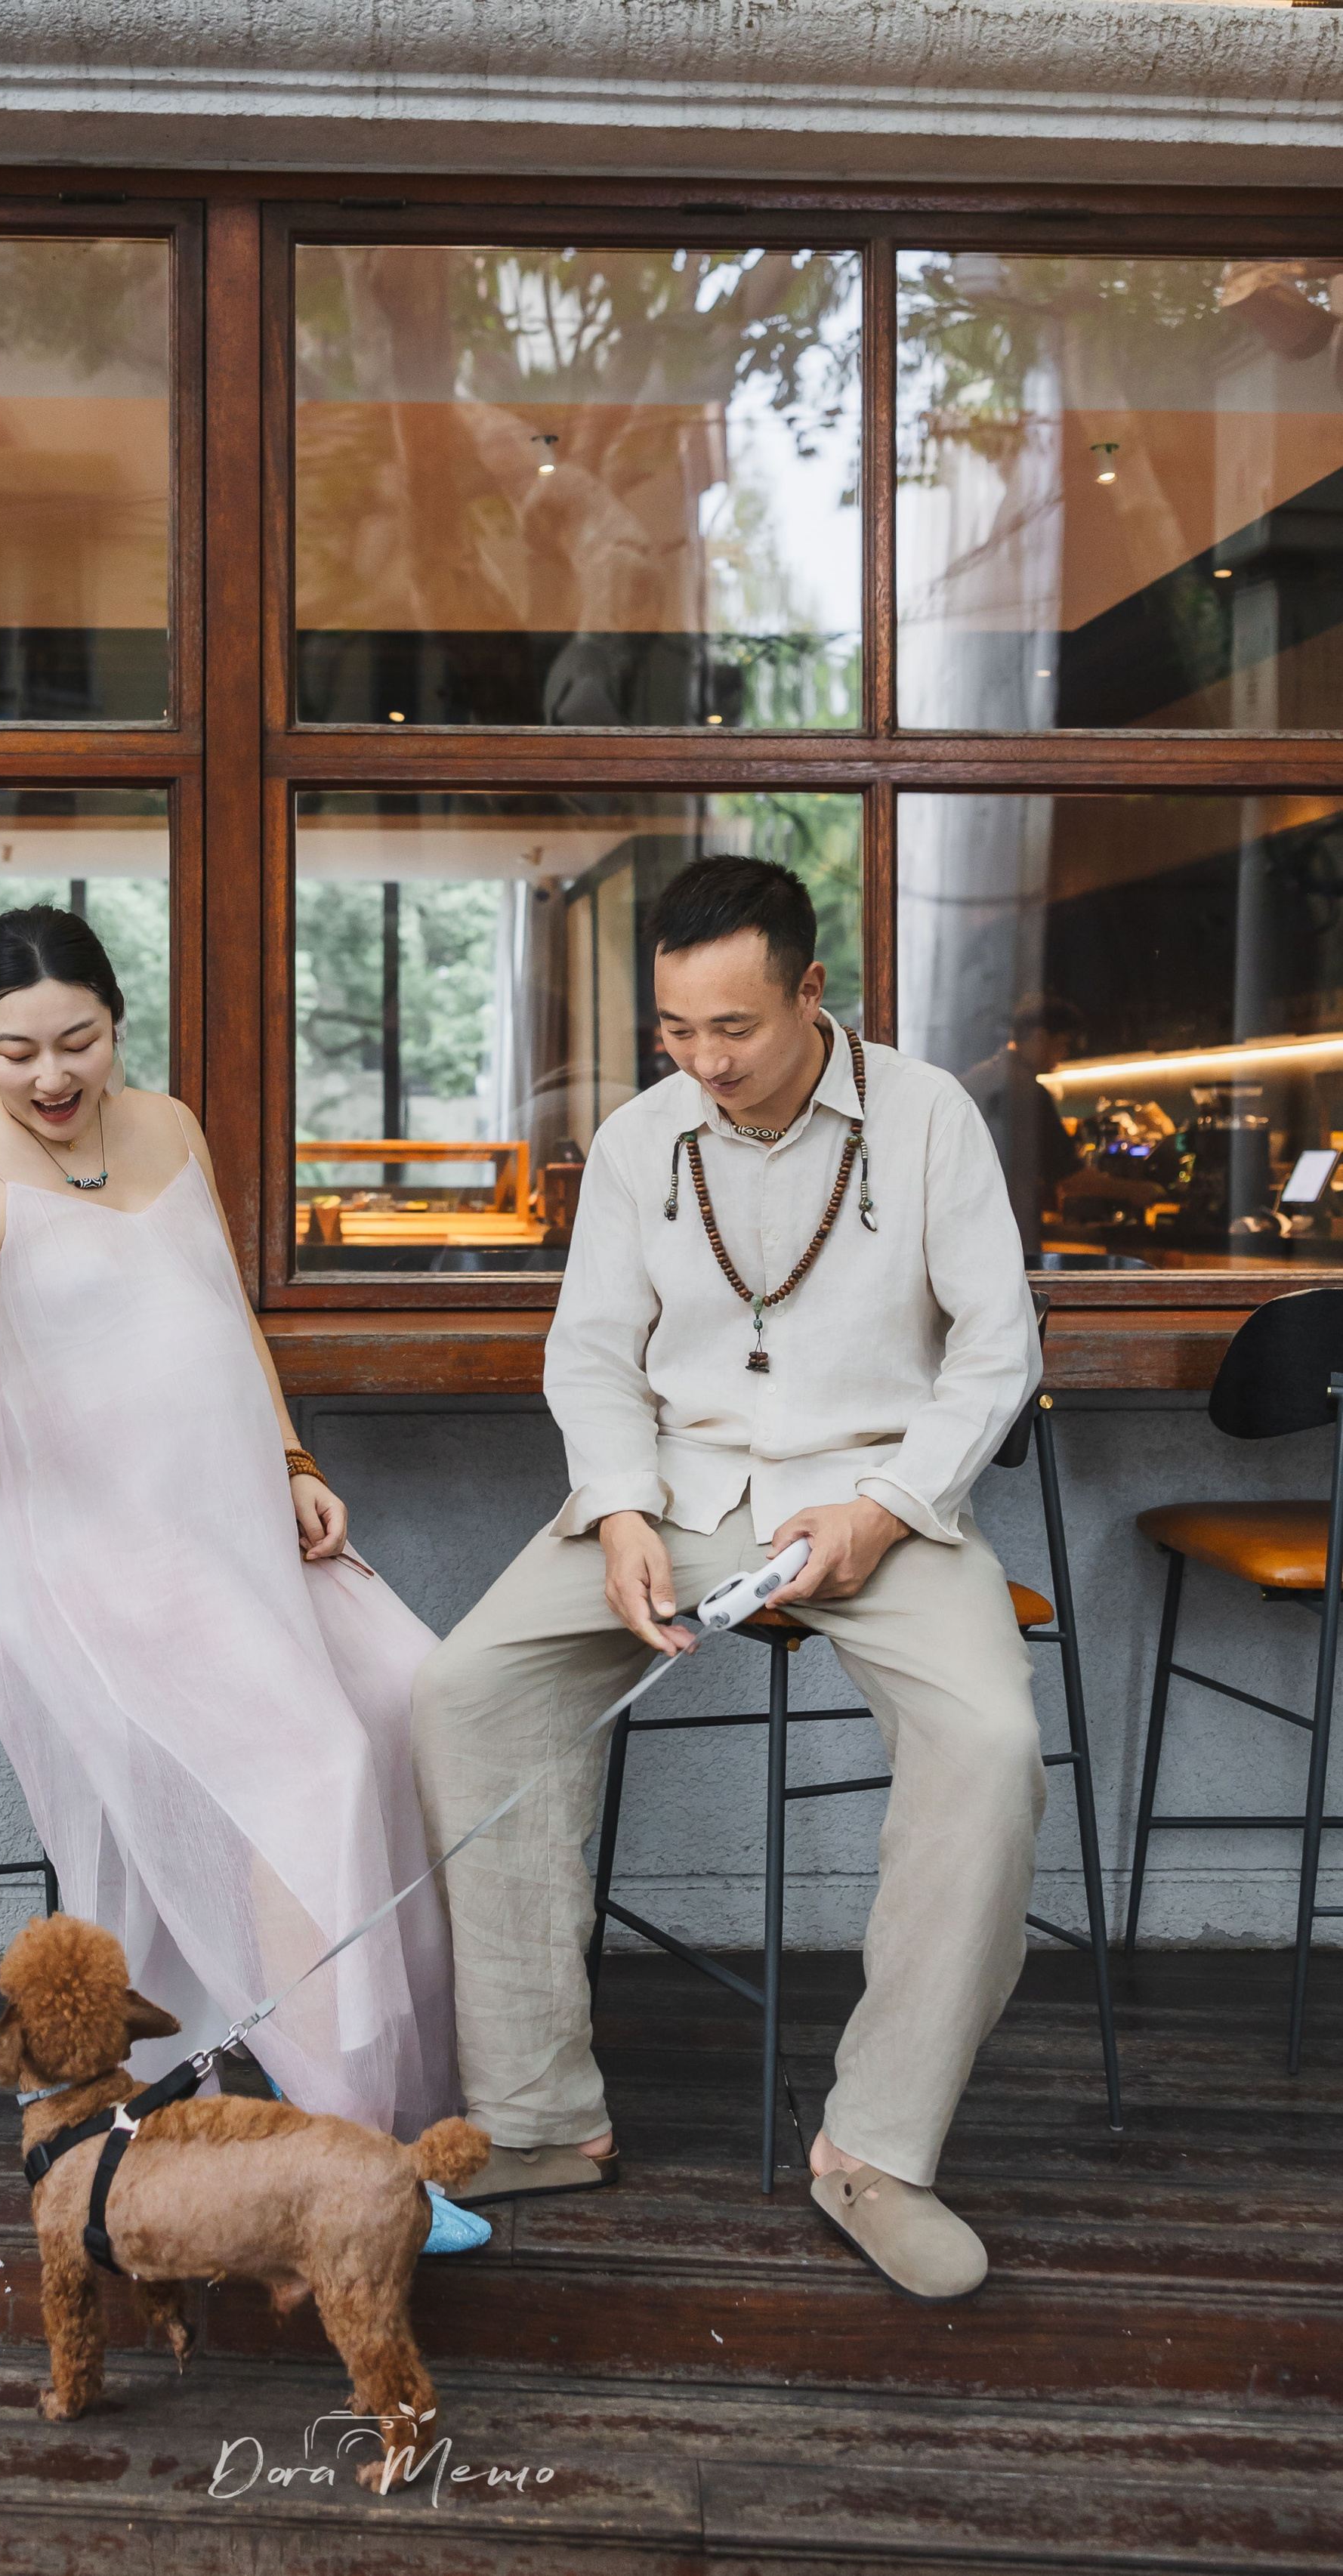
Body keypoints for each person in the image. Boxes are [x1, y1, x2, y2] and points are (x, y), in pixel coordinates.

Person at [412, 856, 1043, 2301]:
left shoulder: (930, 1115)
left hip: (878, 1508)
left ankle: (875, 2153)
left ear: (812, 994)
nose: (705, 1062)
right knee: (464, 1690)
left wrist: (884, 1510)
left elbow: (998, 1350)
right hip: (682, 1499)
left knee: (995, 1746)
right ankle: (539, 2120)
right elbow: (590, 1352)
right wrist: (619, 1510)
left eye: (734, 1030)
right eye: (676, 1033)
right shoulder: (644, 1142)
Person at [0, 905, 471, 2177]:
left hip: (236, 1523)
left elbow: (230, 1319)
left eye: (79, 1041)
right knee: (320, 1763)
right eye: (18, 1052)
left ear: (118, 1022)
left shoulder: (171, 1124)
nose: (53, 1076)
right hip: (96, 1558)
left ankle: (381, 2055)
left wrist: (292, 1459)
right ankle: (340, 2127)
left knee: (418, 1693)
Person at [962, 995, 1085, 1259]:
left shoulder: (980, 1076)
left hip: (968, 1225)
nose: (1063, 1056)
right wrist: (1137, 1190)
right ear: (1041, 1037)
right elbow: (1068, 1176)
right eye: (1063, 1045)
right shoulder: (1025, 1090)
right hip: (1009, 1229)